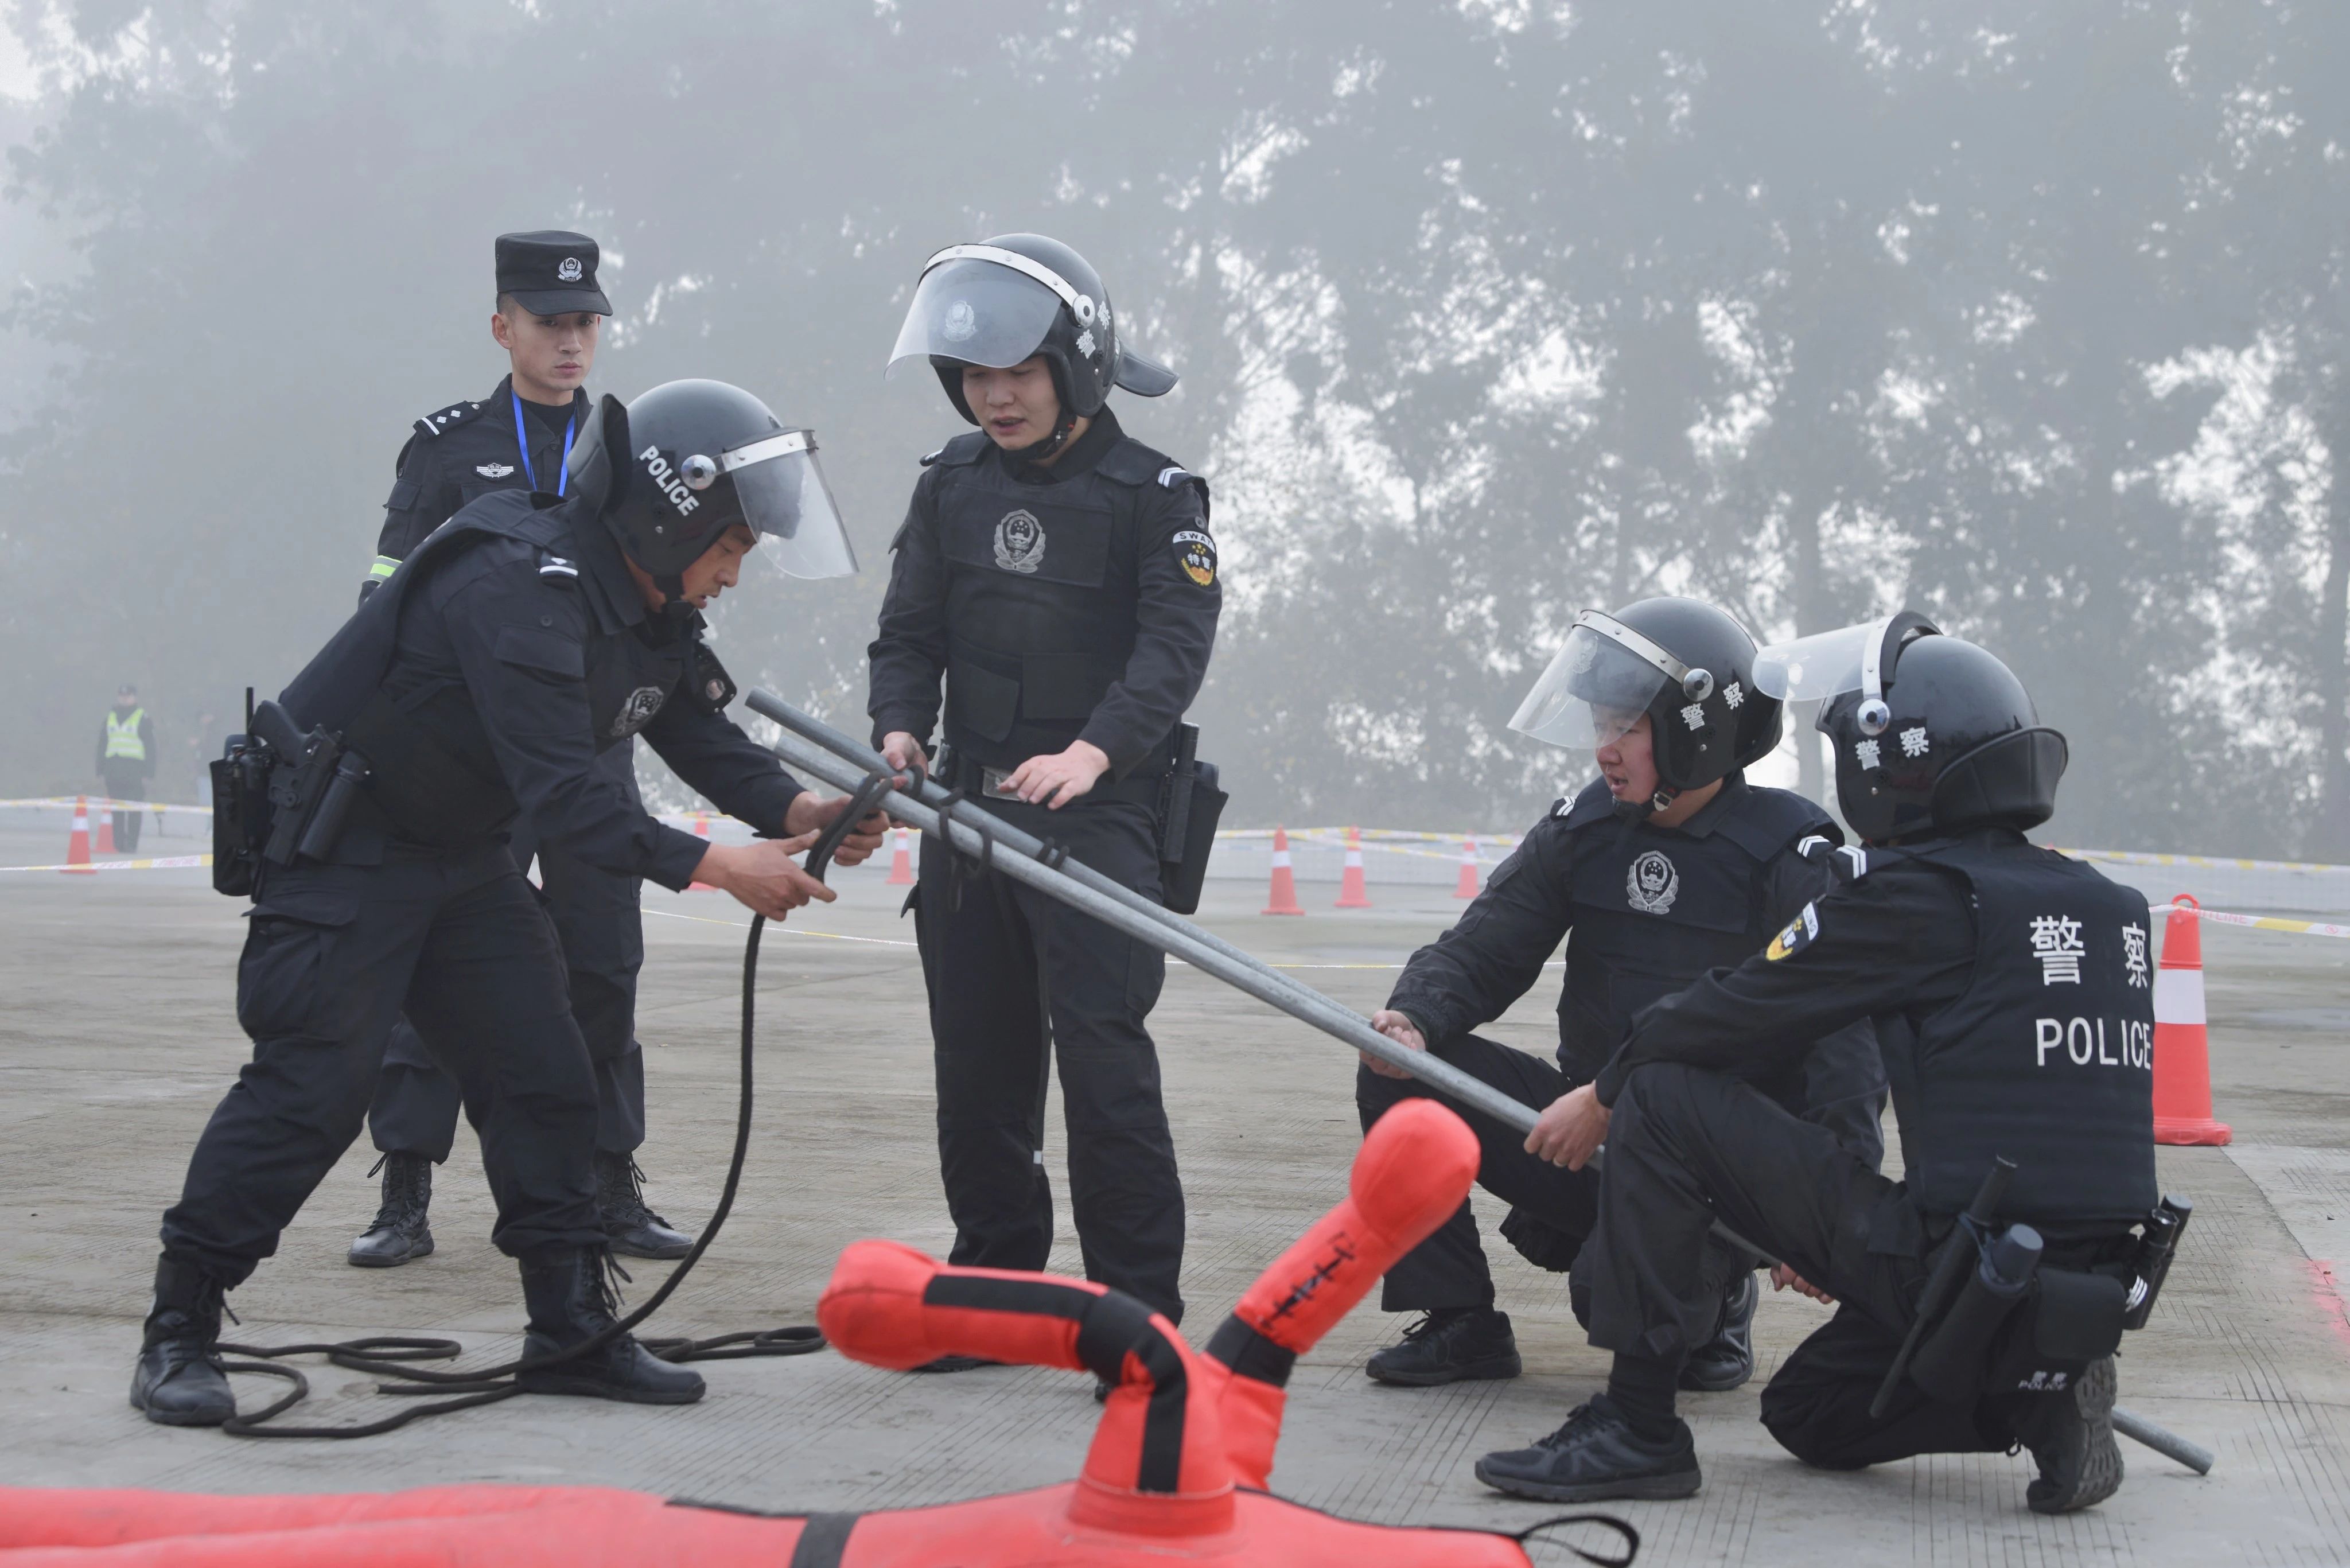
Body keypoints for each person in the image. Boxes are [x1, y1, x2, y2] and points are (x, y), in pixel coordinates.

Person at [131, 379, 880, 1426]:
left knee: (545, 1076)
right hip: (347, 854)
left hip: (460, 858)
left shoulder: (643, 597)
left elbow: (694, 729)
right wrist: (723, 866)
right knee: (311, 1089)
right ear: (672, 515)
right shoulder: (516, 584)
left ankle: (570, 1328)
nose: (732, 574)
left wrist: (805, 805)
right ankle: (179, 1327)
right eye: (732, 547)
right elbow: (570, 801)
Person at [1474, 615, 2158, 1515]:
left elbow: (1735, 1008)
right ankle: (2045, 1394)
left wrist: (1607, 1090)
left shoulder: (1917, 899)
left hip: (1956, 1258)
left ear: (1893, 766)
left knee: (1665, 1086)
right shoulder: (2108, 905)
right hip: (2092, 1280)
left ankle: (1637, 1427)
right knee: (1812, 1415)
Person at [1355, 598, 1885, 1394]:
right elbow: (1486, 945)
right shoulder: (1585, 828)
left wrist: (1832, 1217)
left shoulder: (1788, 853)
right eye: (1601, 725)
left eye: (1627, 727)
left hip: (1711, 1171)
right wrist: (1415, 1019)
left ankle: (1719, 1292)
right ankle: (1459, 1317)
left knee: (1606, 1297)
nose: (1605, 749)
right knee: (1398, 1075)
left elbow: (1846, 1047)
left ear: (1695, 728)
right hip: (1587, 1129)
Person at [868, 234, 1216, 1340]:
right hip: (966, 813)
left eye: (1017, 373)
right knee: (978, 1073)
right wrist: (896, 731)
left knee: (1105, 1065)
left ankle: (1137, 1309)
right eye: (975, 376)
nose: (995, 397)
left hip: (1097, 817)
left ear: (1076, 366)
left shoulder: (1154, 495)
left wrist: (1095, 752)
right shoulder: (951, 486)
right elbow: (907, 635)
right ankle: (999, 1289)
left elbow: (1171, 647)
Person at [350, 231, 692, 1270]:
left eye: (586, 322)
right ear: (504, 327)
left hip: (590, 751)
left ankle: (606, 1181)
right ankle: (406, 1187)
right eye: (550, 323)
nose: (571, 341)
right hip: (472, 771)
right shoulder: (448, 447)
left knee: (604, 965)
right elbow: (387, 593)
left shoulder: (630, 449)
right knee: (440, 966)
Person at [96, 684, 157, 851]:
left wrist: (149, 773)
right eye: (122, 696)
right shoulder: (110, 716)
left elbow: (150, 747)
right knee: (117, 810)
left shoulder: (142, 717)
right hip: (114, 770)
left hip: (135, 771)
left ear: (134, 697)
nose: (125, 698)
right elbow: (102, 745)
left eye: (128, 696)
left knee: (134, 810)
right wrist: (100, 770)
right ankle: (118, 844)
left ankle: (131, 844)